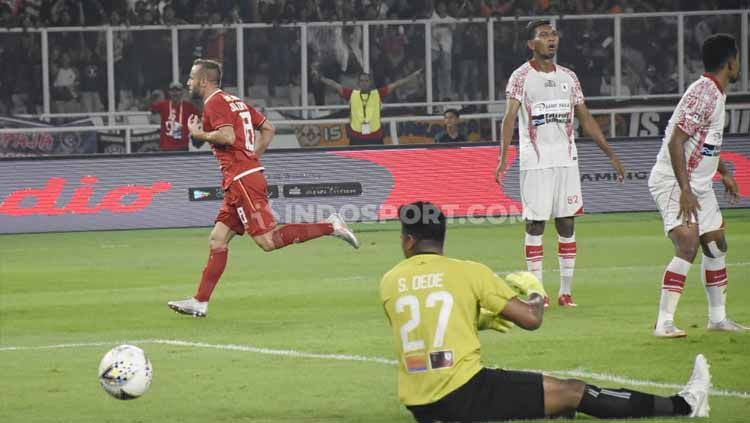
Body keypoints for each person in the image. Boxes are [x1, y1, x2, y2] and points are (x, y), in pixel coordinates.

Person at [380, 201, 711, 422]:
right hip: (464, 392)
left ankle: (548, 410)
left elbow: (426, 324)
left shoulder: (390, 282)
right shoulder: (468, 272)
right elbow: (531, 320)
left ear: (408, 241)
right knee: (573, 391)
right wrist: (536, 292)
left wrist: (477, 320)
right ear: (442, 237)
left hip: (419, 401)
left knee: (538, 399)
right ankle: (685, 404)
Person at [167, 59, 360, 318]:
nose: (188, 82)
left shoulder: (214, 103)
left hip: (242, 180)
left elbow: (227, 137)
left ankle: (331, 225)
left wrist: (200, 135)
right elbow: (268, 128)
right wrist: (252, 157)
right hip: (241, 178)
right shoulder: (234, 101)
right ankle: (200, 301)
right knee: (217, 239)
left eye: (191, 78)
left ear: (204, 81)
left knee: (267, 241)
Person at [494, 20, 625, 307]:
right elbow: (509, 118)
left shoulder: (569, 77)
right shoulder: (520, 77)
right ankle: (537, 293)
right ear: (532, 44)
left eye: (553, 34)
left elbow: (586, 118)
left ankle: (566, 292)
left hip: (566, 160)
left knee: (566, 222)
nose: (551, 39)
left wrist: (610, 153)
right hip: (535, 162)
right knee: (535, 224)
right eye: (543, 35)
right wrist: (504, 157)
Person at [648, 34, 747, 338]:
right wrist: (686, 191)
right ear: (731, 62)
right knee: (688, 244)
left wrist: (725, 172)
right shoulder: (704, 93)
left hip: (699, 185)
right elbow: (677, 141)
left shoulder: (715, 93)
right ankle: (663, 322)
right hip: (675, 182)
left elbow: (705, 143)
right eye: (739, 57)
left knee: (716, 245)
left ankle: (718, 319)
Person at [319, 69, 422, 146]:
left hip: (375, 137)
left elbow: (396, 84)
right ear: (358, 83)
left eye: (366, 81)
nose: (364, 83)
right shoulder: (351, 94)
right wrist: (320, 78)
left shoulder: (377, 94)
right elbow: (334, 85)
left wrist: (412, 76)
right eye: (362, 81)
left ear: (370, 82)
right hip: (356, 137)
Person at [150, 82, 199, 152]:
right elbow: (152, 108)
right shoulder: (163, 105)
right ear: (169, 93)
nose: (175, 93)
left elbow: (199, 116)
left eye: (178, 91)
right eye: (173, 91)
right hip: (166, 146)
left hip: (182, 145)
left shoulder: (188, 106)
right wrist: (155, 96)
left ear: (182, 92)